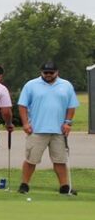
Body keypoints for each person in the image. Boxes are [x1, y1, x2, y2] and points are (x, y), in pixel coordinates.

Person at [16, 61, 79, 195]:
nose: (48, 75)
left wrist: (68, 123)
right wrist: (25, 123)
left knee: (60, 160)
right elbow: (22, 105)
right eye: (46, 73)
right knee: (31, 159)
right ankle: (24, 185)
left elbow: (71, 106)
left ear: (57, 72)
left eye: (51, 72)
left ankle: (64, 187)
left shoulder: (66, 85)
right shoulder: (31, 85)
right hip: (37, 130)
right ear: (41, 72)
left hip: (59, 131)